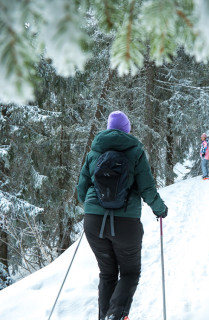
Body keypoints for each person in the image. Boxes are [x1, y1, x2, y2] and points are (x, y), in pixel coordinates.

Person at [77, 111, 168, 320]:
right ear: (127, 129)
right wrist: (160, 209)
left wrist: (94, 207)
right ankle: (115, 315)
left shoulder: (94, 152)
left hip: (94, 223)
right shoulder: (135, 152)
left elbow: (82, 191)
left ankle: (105, 316)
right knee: (129, 272)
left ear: (109, 128)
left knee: (107, 273)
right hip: (125, 224)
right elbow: (147, 188)